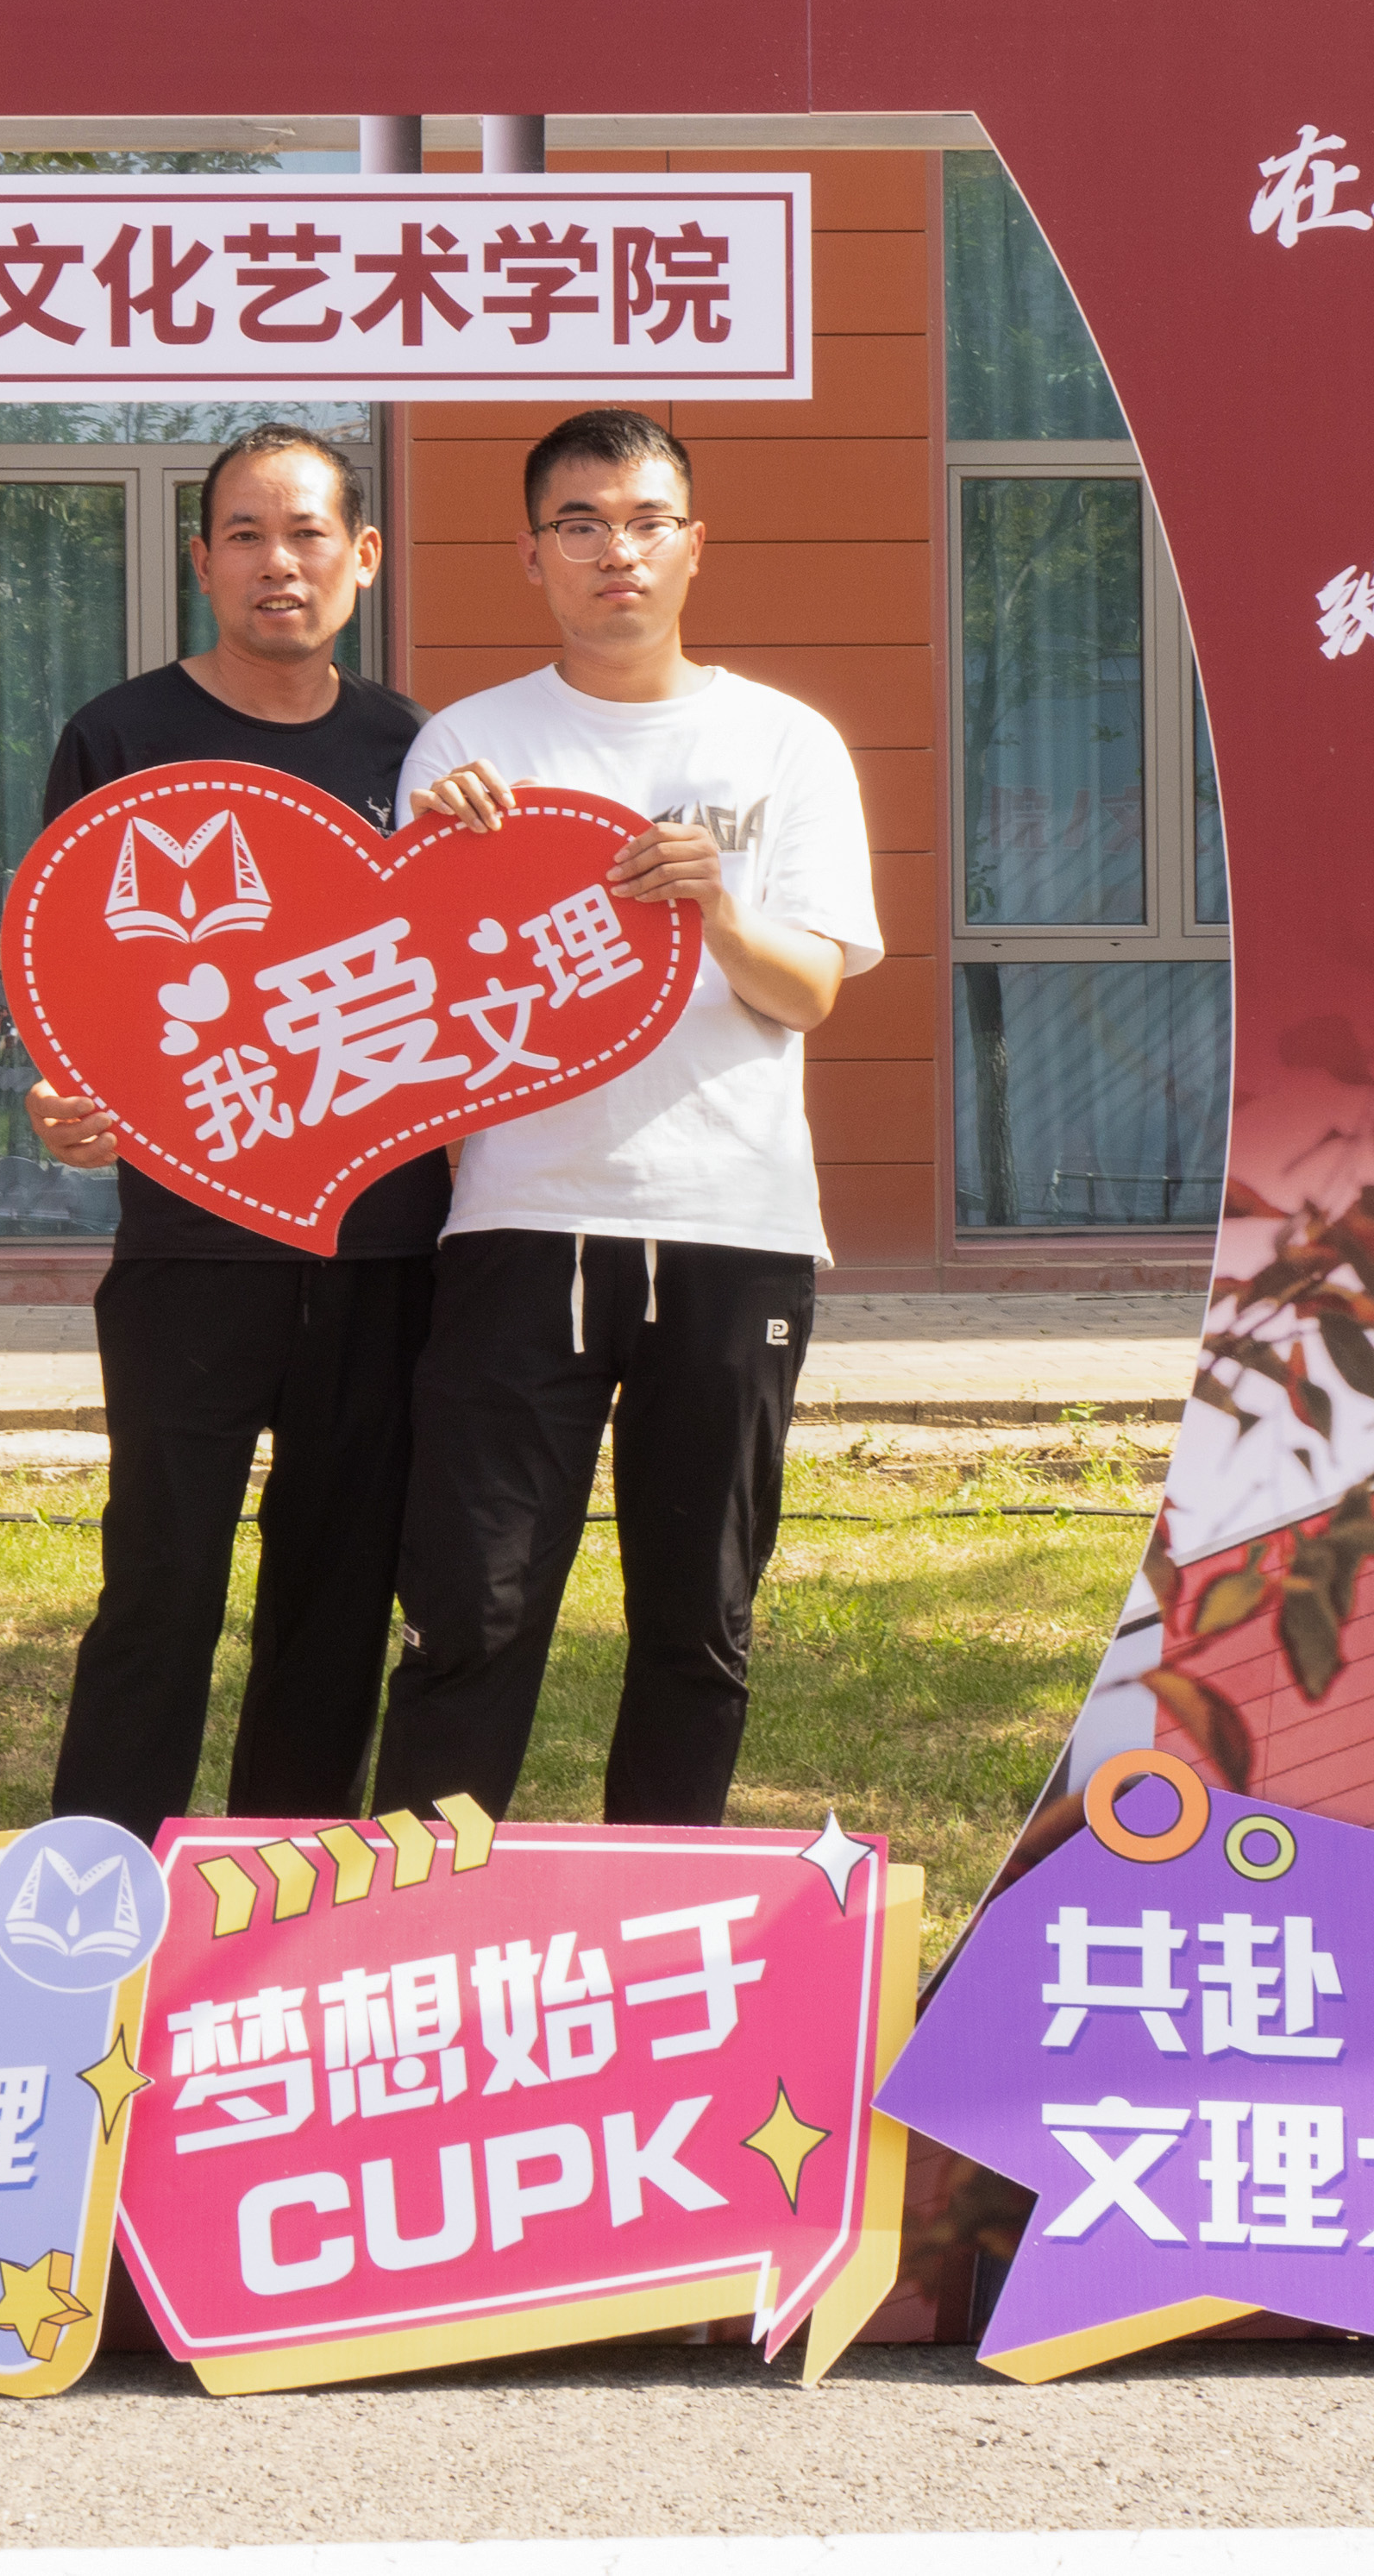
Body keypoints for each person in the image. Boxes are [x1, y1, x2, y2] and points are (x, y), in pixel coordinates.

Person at [374, 407, 882, 1829]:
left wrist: (718, 908)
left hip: (733, 1227)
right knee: (470, 1607)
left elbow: (807, 994)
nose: (617, 552)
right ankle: (413, 1914)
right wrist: (439, 861)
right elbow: (417, 1004)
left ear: (693, 546)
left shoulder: (784, 742)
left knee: (697, 1618)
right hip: (520, 1221)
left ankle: (662, 1913)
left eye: (647, 522)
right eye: (581, 525)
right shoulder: (467, 745)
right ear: (530, 554)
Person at [18, 424, 442, 1840]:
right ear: (200, 562)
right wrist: (65, 1097)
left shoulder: (418, 751)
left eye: (308, 534)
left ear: (361, 558)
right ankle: (98, 1877)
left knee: (336, 1589)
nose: (280, 564)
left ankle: (282, 1885)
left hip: (383, 1248)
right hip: (189, 1246)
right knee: (161, 1578)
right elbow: (69, 974)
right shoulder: (120, 737)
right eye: (247, 536)